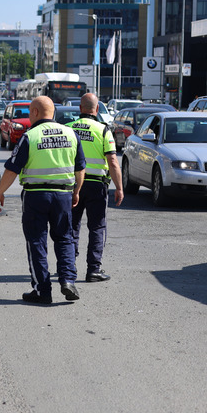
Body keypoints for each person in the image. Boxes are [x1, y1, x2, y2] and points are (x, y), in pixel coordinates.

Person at [0, 96, 86, 304]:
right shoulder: (71, 134)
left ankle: (42, 291)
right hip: (63, 195)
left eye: (29, 112)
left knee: (36, 241)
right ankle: (68, 281)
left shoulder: (31, 136)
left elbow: (12, 169)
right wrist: (76, 191)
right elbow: (80, 167)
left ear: (35, 112)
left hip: (36, 196)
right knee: (64, 239)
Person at [66, 93, 123, 282]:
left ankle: (68, 267)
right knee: (97, 227)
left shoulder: (68, 129)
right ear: (97, 109)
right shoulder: (103, 130)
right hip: (97, 185)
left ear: (80, 109)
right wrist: (120, 188)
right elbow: (113, 161)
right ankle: (93, 270)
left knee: (72, 226)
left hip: (73, 185)